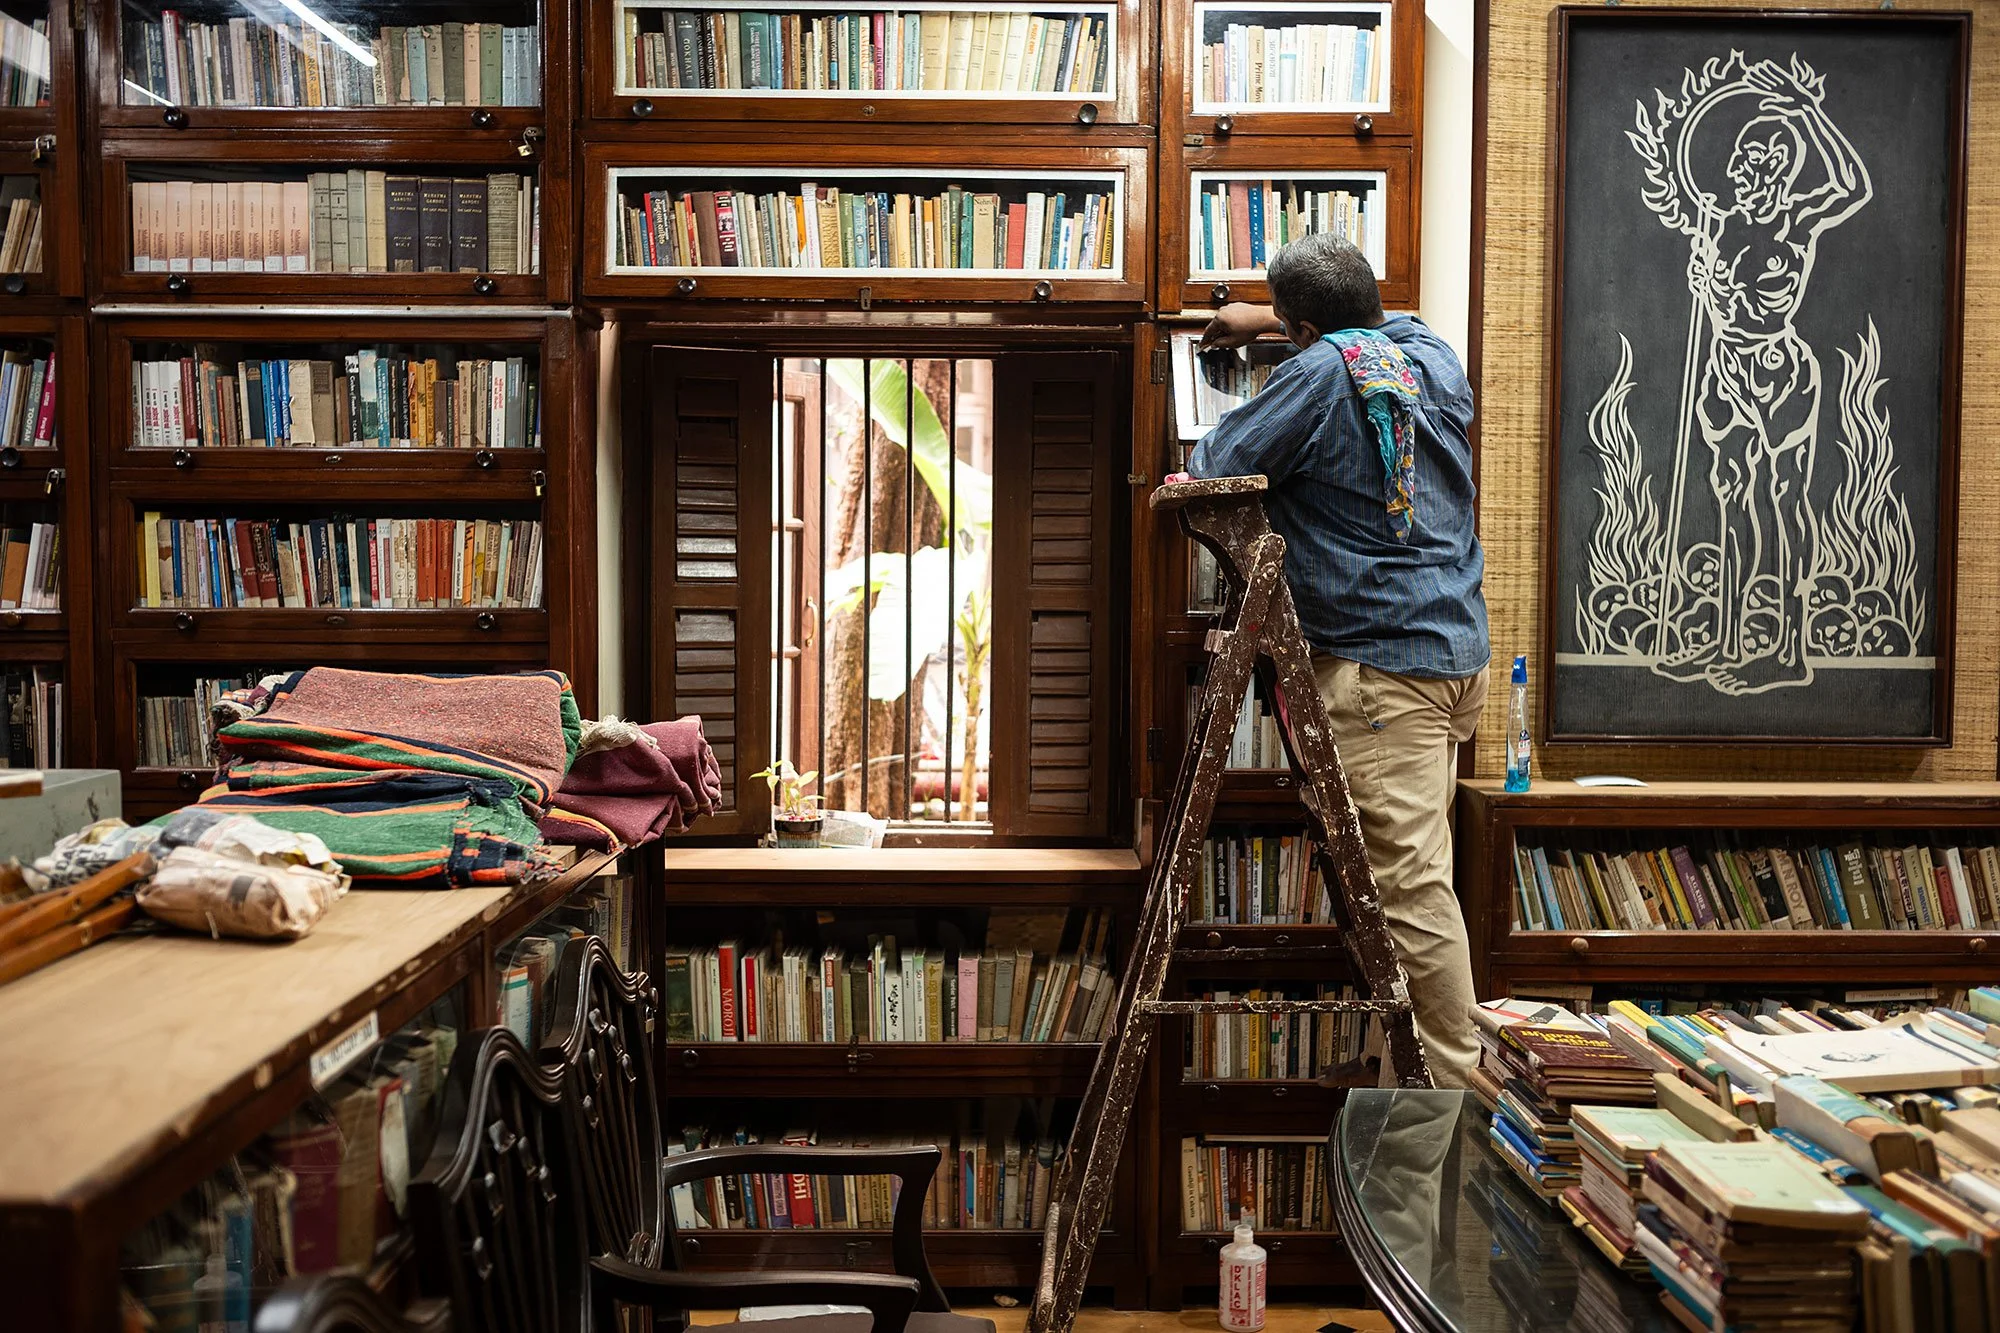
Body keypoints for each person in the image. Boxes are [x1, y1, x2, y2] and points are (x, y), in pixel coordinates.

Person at [1188, 231, 1489, 1087]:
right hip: (1451, 653)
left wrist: (1287, 346)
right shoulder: (1430, 352)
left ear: (1306, 327)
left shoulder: (1317, 374)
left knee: (1411, 895)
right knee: (1419, 876)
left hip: (1378, 667)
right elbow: (1370, 344)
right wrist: (1270, 320)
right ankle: (1412, 1074)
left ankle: (1453, 1100)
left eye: (1287, 328)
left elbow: (1217, 464)